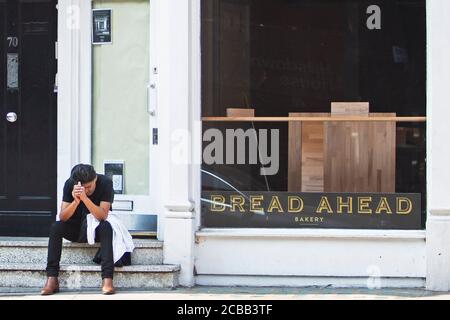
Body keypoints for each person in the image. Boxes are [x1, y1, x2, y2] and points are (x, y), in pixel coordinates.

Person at [41, 164, 116, 295]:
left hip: (95, 229)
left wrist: (85, 199)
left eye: (89, 187)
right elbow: (62, 217)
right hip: (75, 228)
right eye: (83, 188)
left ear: (95, 179)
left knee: (106, 227)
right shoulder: (70, 184)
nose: (86, 190)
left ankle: (107, 279)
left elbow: (102, 216)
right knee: (56, 227)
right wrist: (76, 201)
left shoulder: (105, 183)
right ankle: (52, 278)